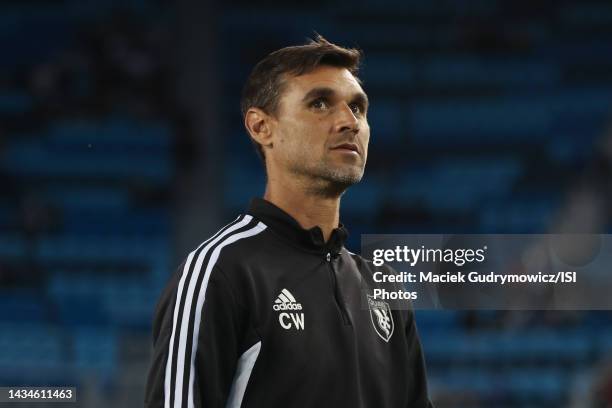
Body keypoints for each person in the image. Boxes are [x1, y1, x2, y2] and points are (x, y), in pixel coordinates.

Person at [145, 35, 433, 408]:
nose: (349, 121)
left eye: (358, 109)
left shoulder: (384, 289)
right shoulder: (220, 272)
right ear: (262, 127)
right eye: (320, 103)